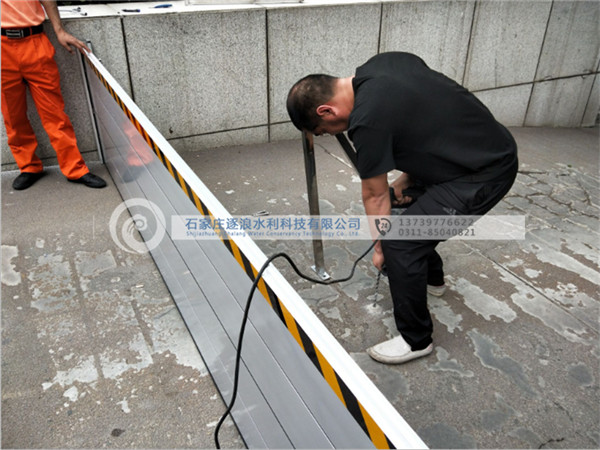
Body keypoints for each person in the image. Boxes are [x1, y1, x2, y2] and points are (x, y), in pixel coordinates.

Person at [287, 52, 518, 364]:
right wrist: (409, 178)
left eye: (325, 130)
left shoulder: (366, 121)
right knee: (402, 210)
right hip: (473, 151)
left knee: (400, 242)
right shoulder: (384, 63)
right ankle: (432, 281)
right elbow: (431, 118)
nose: (330, 135)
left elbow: (374, 195)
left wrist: (382, 247)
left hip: (482, 173)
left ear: (326, 110)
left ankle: (416, 339)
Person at [1, 0, 106, 190]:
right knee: (12, 116)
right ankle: (28, 167)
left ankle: (75, 168)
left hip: (34, 42)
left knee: (55, 114)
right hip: (2, 48)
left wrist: (59, 31)